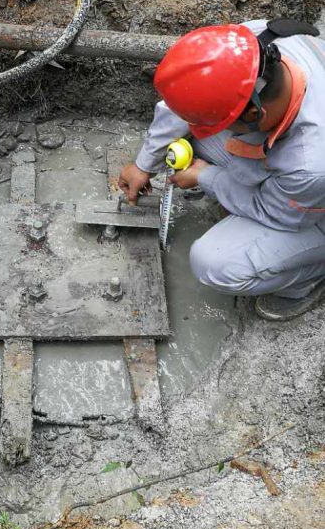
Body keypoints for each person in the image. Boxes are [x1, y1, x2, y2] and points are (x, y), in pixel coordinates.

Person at [118, 19, 325, 322]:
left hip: (308, 207)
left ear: (255, 113)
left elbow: (275, 212)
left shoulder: (311, 163)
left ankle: (308, 277)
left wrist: (206, 176)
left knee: (214, 264)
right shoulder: (250, 46)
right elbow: (190, 99)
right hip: (293, 165)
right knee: (199, 134)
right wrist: (144, 163)